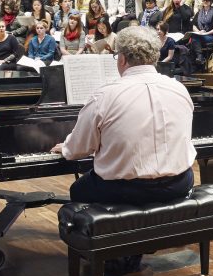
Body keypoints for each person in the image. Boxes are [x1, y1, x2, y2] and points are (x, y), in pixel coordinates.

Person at [51, 26, 195, 218]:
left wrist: (67, 147)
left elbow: (80, 148)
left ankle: (107, 241)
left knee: (78, 189)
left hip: (126, 190)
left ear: (122, 58)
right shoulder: (179, 89)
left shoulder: (105, 95)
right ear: (155, 57)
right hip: (179, 183)